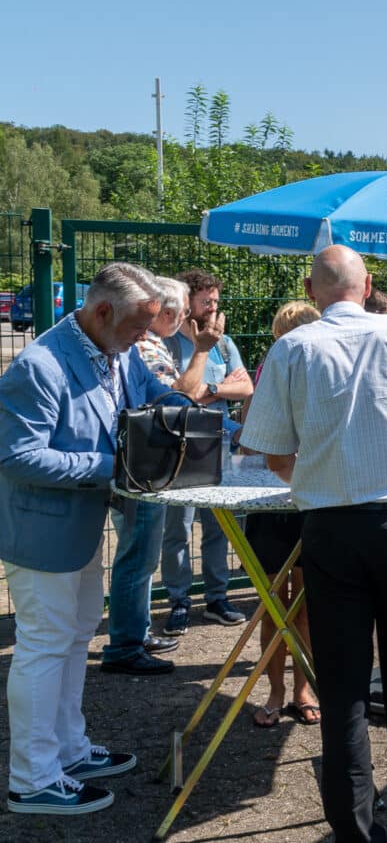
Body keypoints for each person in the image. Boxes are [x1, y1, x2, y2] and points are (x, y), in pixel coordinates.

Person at [240, 245, 387, 843]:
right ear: (367, 288)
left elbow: (273, 452)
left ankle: (355, 833)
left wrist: (316, 475)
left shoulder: (291, 348)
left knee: (342, 691)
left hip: (330, 528)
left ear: (313, 292)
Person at [0, 262, 168, 815]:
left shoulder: (117, 352)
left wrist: (231, 429)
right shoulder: (40, 364)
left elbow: (155, 400)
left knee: (74, 639)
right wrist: (112, 464)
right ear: (101, 312)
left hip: (78, 528)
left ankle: (68, 750)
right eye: (138, 326)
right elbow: (18, 456)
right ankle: (32, 778)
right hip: (43, 534)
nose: (146, 336)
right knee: (44, 647)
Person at [100, 276, 219, 676]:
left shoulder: (142, 346)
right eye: (183, 311)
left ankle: (135, 633)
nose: (183, 318)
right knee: (137, 559)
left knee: (140, 558)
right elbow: (179, 398)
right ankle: (125, 645)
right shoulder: (147, 347)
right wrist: (202, 351)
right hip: (144, 469)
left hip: (145, 467)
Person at [238, 300, 322, 728]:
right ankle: (276, 690)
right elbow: (253, 442)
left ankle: (303, 689)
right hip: (273, 501)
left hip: (307, 501)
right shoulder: (267, 372)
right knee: (275, 606)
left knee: (302, 606)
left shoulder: (326, 374)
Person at [159, 268, 252, 635]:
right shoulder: (166, 345)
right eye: (206, 301)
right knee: (177, 529)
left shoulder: (225, 344)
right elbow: (181, 393)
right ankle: (179, 600)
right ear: (188, 304)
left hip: (221, 447)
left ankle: (216, 597)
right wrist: (215, 389)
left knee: (220, 526)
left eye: (216, 300)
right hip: (179, 452)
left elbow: (245, 388)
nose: (213, 308)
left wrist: (210, 387)